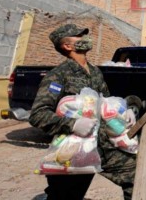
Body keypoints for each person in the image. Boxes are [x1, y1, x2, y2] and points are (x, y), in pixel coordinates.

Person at [29, 24, 136, 200]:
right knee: (65, 195)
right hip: (75, 149)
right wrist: (73, 124)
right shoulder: (58, 75)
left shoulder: (95, 72)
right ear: (67, 46)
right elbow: (38, 114)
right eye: (79, 36)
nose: (85, 38)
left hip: (104, 145)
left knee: (135, 176)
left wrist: (125, 111)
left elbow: (106, 103)